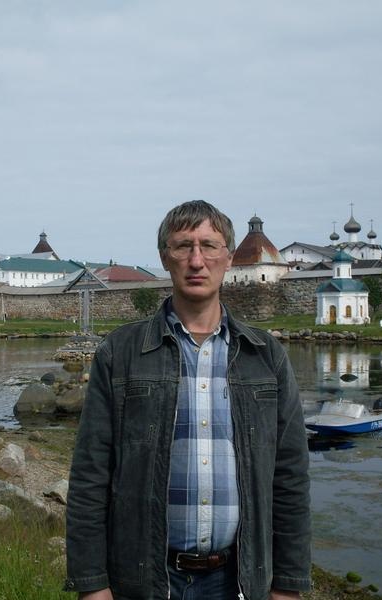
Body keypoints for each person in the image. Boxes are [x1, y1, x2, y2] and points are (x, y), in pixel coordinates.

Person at [64, 200, 310, 600]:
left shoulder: (265, 357)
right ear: (165, 258)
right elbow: (90, 476)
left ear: (229, 258)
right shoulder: (121, 353)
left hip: (238, 581)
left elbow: (290, 479)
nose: (197, 260)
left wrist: (288, 584)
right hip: (144, 579)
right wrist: (92, 584)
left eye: (209, 246)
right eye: (183, 246)